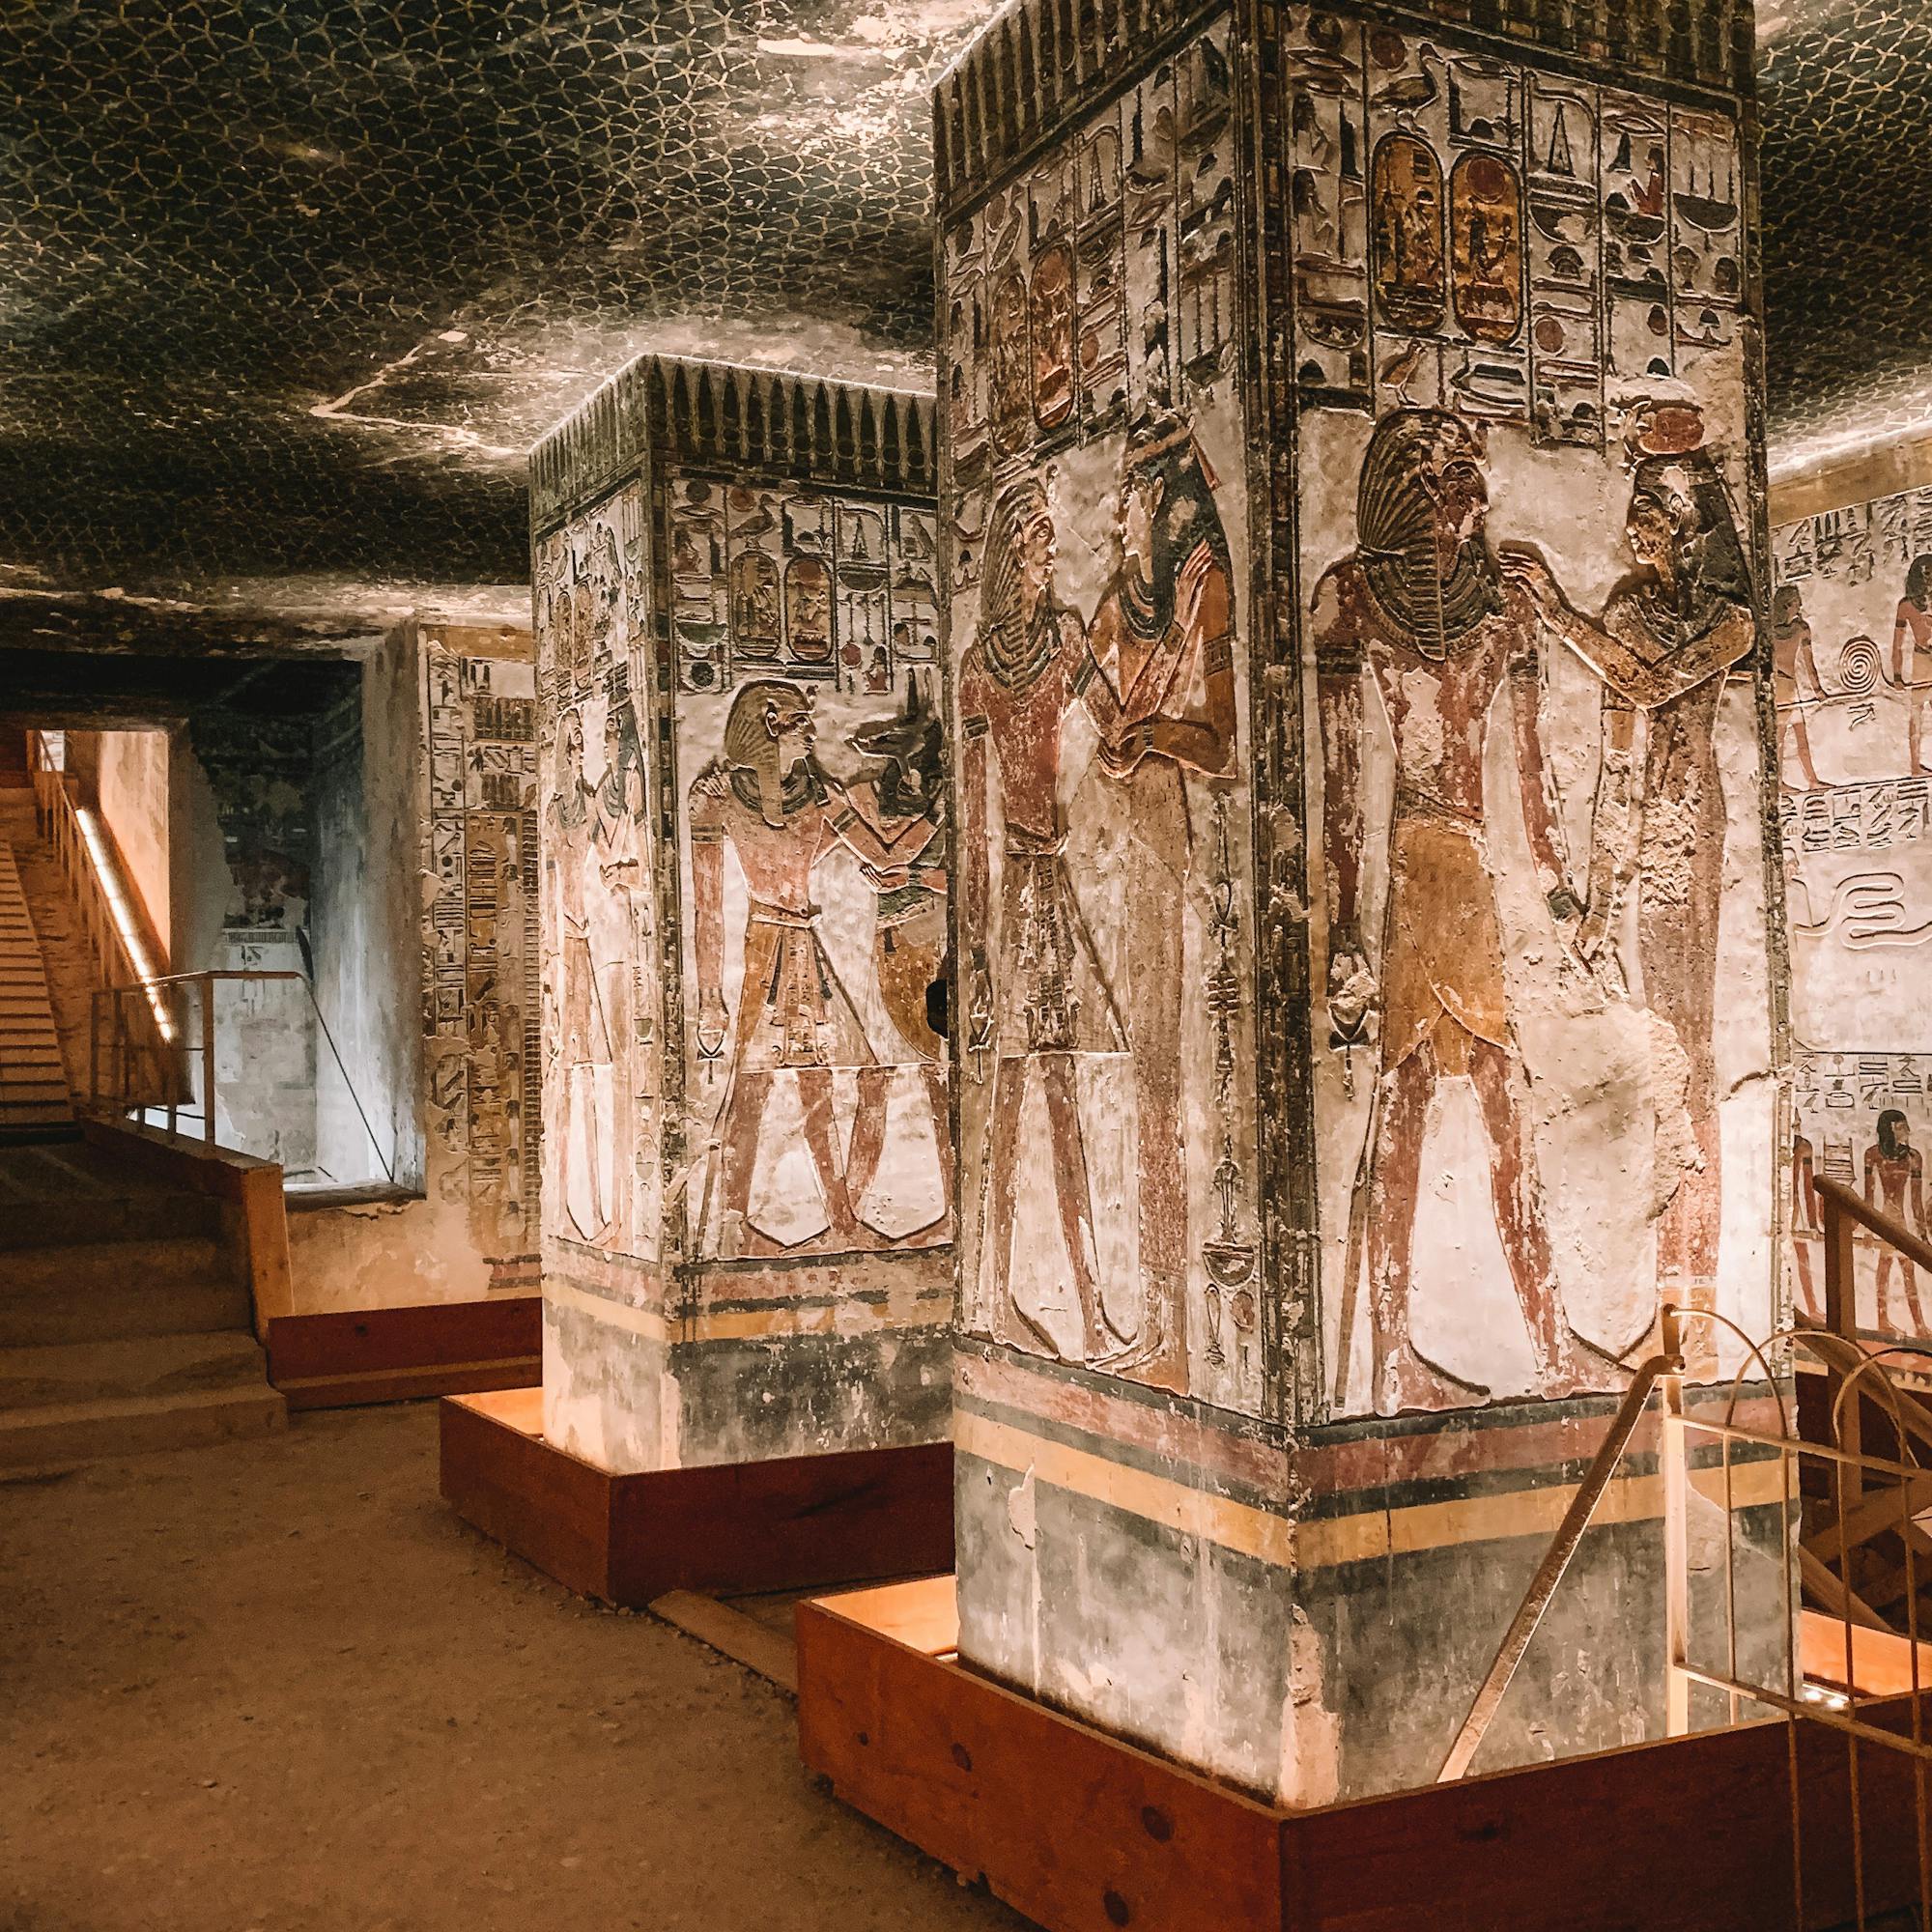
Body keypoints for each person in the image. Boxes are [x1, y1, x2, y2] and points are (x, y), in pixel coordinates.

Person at [1316, 408, 1590, 1413]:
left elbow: (1530, 765)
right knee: (1426, 1101)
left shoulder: (1506, 604)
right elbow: (1342, 782)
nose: (1465, 498)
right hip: (1413, 870)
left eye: (1468, 478)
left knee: (1461, 1102)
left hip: (1466, 876)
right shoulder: (1352, 596)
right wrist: (1343, 926)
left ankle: (1523, 1347)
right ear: (1403, 491)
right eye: (1441, 479)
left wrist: (1559, 883)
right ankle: (1413, 1358)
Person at [1504, 440, 1756, 1364]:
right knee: (1652, 1070)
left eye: (1652, 511)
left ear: (1688, 529)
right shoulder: (1625, 610)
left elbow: (1648, 684)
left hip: (1690, 840)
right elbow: (1617, 761)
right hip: (1644, 844)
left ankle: (1699, 1299)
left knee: (1690, 1061)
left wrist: (1559, 614)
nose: (1635, 527)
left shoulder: (1729, 621)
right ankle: (1665, 1303)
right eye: (1635, 509)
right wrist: (1600, 904)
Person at [1083, 414, 1238, 1389]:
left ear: (1162, 500)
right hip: (1131, 848)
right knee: (1143, 1083)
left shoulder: (1204, 588)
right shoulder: (1118, 604)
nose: (1117, 518)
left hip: (1196, 848)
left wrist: (1149, 738)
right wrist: (1116, 731)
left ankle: (1184, 1330)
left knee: (1184, 1084)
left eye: (1130, 498)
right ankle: (1156, 1316)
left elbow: (1221, 742)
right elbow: (1093, 689)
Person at [958, 476, 1129, 1363]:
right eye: (1032, 536)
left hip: (1053, 885)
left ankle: (1090, 1305)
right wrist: (975, 953)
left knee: (1060, 1096)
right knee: (1007, 1098)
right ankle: (990, 1298)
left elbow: (1118, 731)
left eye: (1048, 536)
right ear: (1007, 554)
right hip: (1013, 898)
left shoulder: (1065, 638)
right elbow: (971, 818)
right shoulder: (978, 669)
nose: (1046, 549)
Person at [688, 680, 874, 1257]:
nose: (812, 732)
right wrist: (709, 996)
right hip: (765, 948)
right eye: (799, 722)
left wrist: (867, 799)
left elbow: (877, 854)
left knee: (825, 1078)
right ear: (768, 727)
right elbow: (707, 907)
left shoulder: (816, 794)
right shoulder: (717, 799)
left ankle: (841, 1217)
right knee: (752, 1087)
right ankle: (733, 1223)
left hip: (805, 948)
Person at [1864, 1109, 1928, 1336]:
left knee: (1905, 1271)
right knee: (1888, 1270)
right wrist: (1868, 1230)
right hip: (1884, 1221)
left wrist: (1923, 1236)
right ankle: (1892, 1322)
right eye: (1901, 1127)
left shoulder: (1913, 1157)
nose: (1907, 1131)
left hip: (1899, 1222)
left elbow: (1916, 1202)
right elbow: (1869, 1197)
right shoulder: (1873, 1154)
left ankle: (1918, 1326)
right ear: (1889, 1131)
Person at [1892, 555, 1932, 776]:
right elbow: (1897, 644)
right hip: (1922, 658)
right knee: (1916, 712)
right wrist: (1897, 674)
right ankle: (1915, 765)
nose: (1929, 579)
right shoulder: (1906, 606)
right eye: (1925, 574)